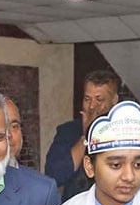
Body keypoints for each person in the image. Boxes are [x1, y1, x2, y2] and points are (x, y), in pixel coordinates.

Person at [44, 69, 120, 198]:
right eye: (87, 99)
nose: (92, 106)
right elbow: (54, 175)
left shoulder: (125, 131)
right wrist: (86, 137)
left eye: (99, 99)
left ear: (114, 100)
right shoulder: (67, 131)